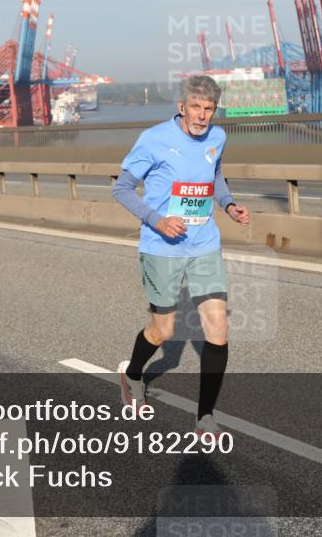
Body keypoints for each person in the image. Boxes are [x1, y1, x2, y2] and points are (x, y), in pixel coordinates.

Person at [112, 75, 250, 437]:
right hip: (162, 247)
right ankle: (132, 375)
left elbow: (215, 176)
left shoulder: (217, 138)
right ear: (181, 107)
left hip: (204, 243)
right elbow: (121, 188)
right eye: (196, 108)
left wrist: (229, 204)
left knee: (218, 330)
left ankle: (205, 418)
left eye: (209, 109)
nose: (203, 116)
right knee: (164, 330)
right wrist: (157, 220)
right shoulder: (155, 139)